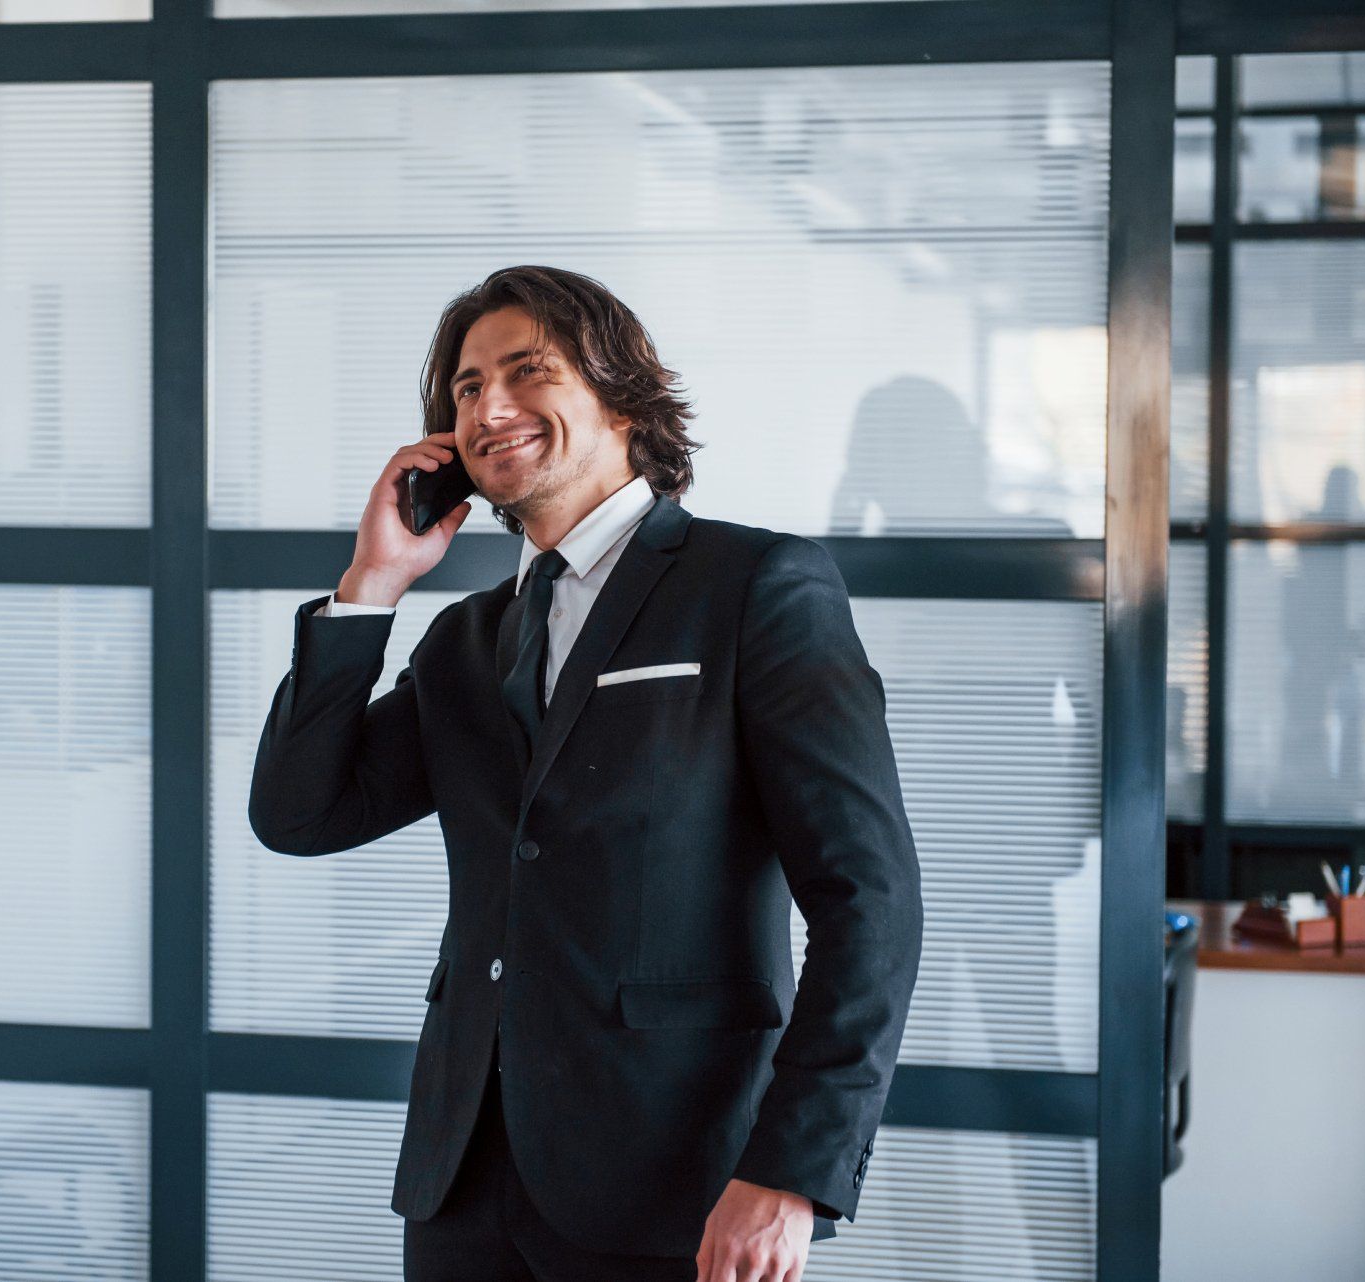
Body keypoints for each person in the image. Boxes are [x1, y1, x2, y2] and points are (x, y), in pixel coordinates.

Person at [248, 265, 923, 1282]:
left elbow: (868, 899)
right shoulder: (466, 643)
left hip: (679, 1185)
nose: (490, 406)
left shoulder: (756, 587)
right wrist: (371, 586)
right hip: (463, 1183)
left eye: (528, 371)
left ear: (621, 394)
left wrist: (790, 1169)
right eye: (467, 388)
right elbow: (299, 813)